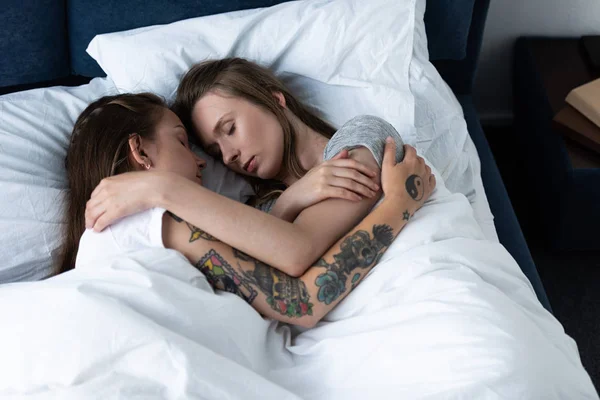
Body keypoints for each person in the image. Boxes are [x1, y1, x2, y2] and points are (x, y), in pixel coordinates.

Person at [61, 93, 435, 328]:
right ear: (140, 152)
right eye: (182, 141)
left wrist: (288, 202)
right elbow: (300, 300)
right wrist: (400, 204)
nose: (208, 162)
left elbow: (260, 255)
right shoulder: (153, 217)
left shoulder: (136, 227)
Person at [85, 58, 435, 276]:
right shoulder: (258, 211)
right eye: (215, 150)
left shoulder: (360, 139)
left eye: (230, 129)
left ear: (274, 98)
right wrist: (291, 199)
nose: (228, 157)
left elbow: (301, 247)